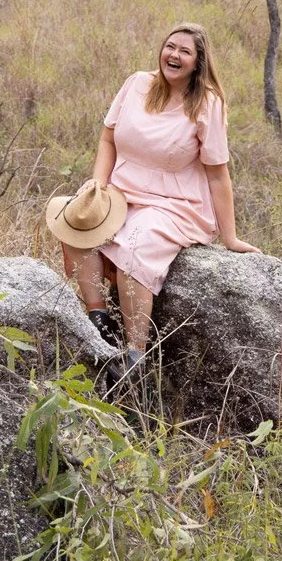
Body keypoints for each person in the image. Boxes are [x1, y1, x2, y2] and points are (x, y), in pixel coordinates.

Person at [45, 22, 258, 369]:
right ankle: (99, 321)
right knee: (75, 220)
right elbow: (107, 138)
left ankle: (134, 354)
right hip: (121, 191)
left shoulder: (207, 103)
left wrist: (230, 237)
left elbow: (218, 173)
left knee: (135, 244)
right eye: (170, 46)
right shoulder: (137, 84)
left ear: (198, 62)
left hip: (174, 203)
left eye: (185, 51)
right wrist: (97, 183)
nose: (174, 55)